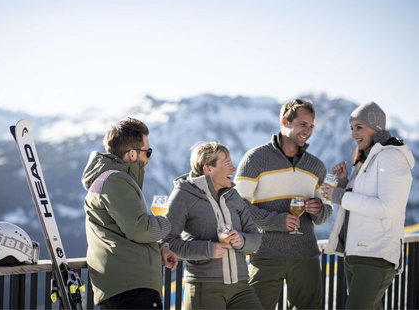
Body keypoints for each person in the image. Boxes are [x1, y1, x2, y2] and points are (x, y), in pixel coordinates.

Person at [234, 98, 333, 309]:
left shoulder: (316, 166)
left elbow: (324, 215)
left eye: (311, 126)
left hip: (305, 257)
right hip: (265, 254)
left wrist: (319, 209)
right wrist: (276, 221)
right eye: (302, 124)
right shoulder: (255, 159)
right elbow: (237, 206)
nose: (307, 131)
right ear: (285, 122)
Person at [323, 101, 414, 309]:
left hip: (375, 256)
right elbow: (359, 201)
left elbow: (386, 207)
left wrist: (338, 195)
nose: (353, 134)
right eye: (352, 128)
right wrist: (345, 183)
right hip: (357, 254)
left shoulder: (391, 156)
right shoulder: (367, 158)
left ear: (376, 127)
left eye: (359, 127)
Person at [81, 117, 178, 309]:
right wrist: (166, 223)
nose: (150, 158)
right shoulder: (116, 180)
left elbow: (123, 231)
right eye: (147, 152)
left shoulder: (113, 178)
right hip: (132, 287)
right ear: (132, 154)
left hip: (125, 284)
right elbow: (139, 230)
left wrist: (159, 249)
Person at [164, 142, 263, 310]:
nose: (233, 169)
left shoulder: (234, 195)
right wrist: (208, 249)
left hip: (241, 286)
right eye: (227, 164)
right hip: (204, 286)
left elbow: (255, 238)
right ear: (208, 168)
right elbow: (168, 244)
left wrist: (241, 240)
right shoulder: (183, 195)